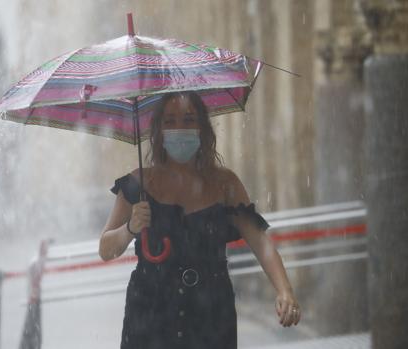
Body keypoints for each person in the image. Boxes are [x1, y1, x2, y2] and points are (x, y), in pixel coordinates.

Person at [99, 92, 301, 349]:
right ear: (158, 131)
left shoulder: (224, 184)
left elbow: (259, 240)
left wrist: (285, 290)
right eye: (169, 121)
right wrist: (130, 229)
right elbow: (106, 249)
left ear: (203, 128)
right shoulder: (137, 185)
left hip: (211, 312)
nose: (179, 129)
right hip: (150, 312)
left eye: (188, 119)